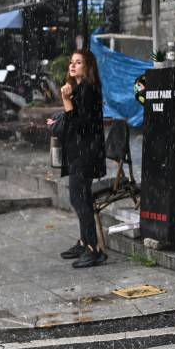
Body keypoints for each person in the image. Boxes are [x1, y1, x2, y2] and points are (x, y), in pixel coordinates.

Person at [50, 50, 107, 268]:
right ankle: (84, 242)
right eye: (72, 62)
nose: (73, 66)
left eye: (79, 62)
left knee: (79, 199)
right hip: (79, 153)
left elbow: (80, 125)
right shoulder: (80, 89)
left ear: (88, 67)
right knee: (79, 198)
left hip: (85, 155)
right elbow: (74, 121)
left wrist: (66, 100)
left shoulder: (89, 91)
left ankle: (94, 248)